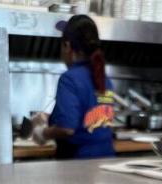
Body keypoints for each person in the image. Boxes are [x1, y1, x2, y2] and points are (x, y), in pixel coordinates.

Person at [32, 15, 116, 159]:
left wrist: (42, 133)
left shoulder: (69, 78)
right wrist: (50, 118)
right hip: (106, 159)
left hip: (78, 164)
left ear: (67, 46)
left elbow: (67, 129)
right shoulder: (104, 79)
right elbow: (90, 115)